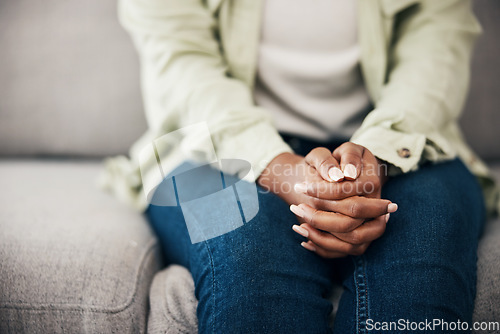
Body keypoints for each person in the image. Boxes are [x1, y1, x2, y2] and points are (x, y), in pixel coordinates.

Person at [102, 0, 499, 333]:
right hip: (206, 148)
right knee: (249, 262)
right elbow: (182, 64)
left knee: (422, 267)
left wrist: (377, 155)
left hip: (403, 143)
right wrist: (278, 167)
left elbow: (437, 45)